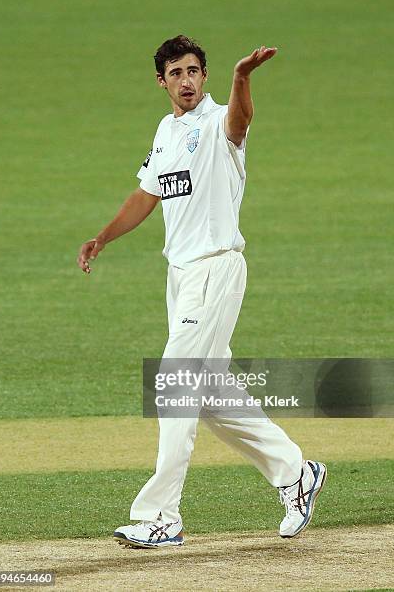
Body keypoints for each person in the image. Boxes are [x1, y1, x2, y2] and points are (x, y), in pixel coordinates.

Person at [77, 35, 327, 548]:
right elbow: (146, 194)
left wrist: (242, 78)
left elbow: (240, 122)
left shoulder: (218, 123)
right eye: (176, 73)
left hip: (215, 268)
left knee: (173, 384)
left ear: (205, 76)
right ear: (162, 81)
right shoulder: (167, 131)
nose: (186, 81)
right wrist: (103, 236)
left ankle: (160, 516)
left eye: (194, 71)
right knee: (209, 395)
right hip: (183, 276)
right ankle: (295, 473)